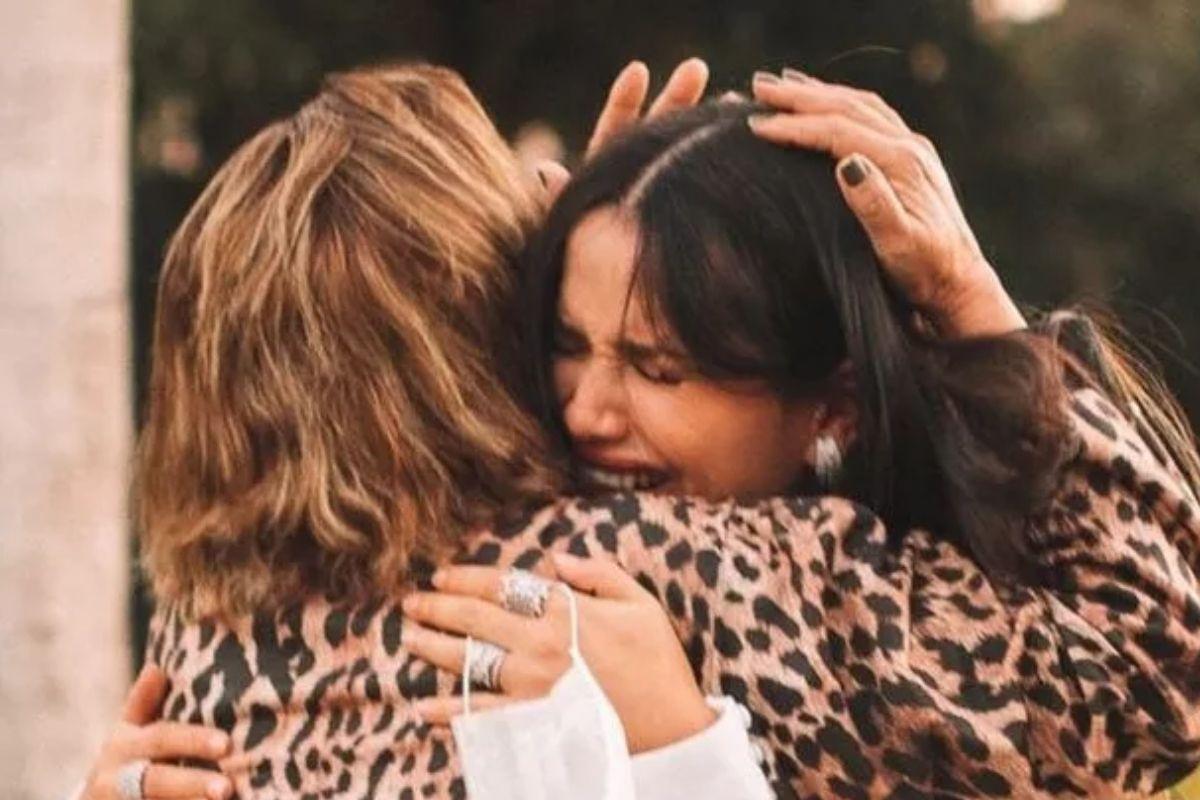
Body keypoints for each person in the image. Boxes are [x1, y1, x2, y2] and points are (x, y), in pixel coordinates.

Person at [81, 63, 1200, 800]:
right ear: (483, 314)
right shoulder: (659, 580)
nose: (585, 402)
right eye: (559, 334)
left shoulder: (199, 650)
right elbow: (1157, 681)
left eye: (653, 361)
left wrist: (593, 257)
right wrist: (974, 307)